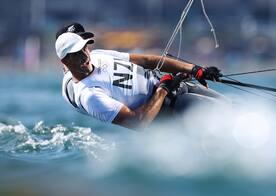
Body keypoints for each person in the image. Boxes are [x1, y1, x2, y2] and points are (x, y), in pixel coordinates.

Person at [55, 23, 225, 129]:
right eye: (77, 54)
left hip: (174, 87)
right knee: (223, 114)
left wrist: (195, 70)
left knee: (229, 105)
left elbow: (146, 60)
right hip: (166, 108)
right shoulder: (90, 96)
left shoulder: (98, 55)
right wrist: (163, 90)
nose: (85, 56)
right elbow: (138, 123)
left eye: (85, 48)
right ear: (65, 61)